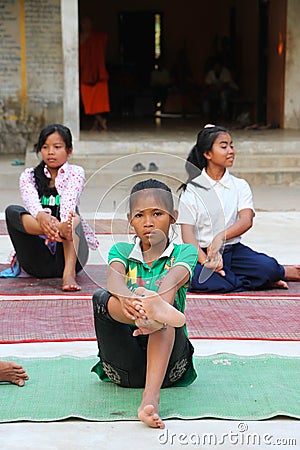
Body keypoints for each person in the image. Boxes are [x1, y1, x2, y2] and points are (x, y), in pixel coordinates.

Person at [92, 179, 198, 429]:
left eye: (157, 214)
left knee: (164, 310)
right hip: (124, 367)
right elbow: (113, 279)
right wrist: (129, 301)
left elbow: (173, 281)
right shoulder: (121, 250)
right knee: (101, 298)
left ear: (173, 217)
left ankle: (150, 398)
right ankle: (148, 312)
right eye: (140, 215)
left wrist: (155, 305)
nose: (148, 222)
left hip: (169, 369)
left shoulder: (184, 253)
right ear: (130, 219)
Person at [177, 124, 300, 293]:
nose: (231, 151)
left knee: (268, 267)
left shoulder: (239, 185)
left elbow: (246, 220)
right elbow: (188, 235)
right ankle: (262, 282)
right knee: (200, 280)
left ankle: (260, 276)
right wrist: (207, 262)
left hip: (233, 251)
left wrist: (220, 237)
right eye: (224, 146)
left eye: (231, 145)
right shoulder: (192, 190)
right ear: (207, 154)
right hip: (201, 254)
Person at [4, 124, 99, 291]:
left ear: (69, 151)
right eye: (45, 147)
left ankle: (68, 274)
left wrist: (64, 226)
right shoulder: (29, 176)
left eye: (57, 147)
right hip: (38, 262)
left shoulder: (75, 173)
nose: (50, 152)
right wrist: (44, 220)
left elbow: (69, 204)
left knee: (72, 217)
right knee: (12, 211)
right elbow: (32, 203)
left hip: (71, 256)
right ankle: (59, 229)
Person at [79, 17, 110, 131]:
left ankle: (97, 123)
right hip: (85, 74)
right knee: (87, 101)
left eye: (88, 23)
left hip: (98, 73)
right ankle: (100, 120)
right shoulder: (79, 38)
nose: (86, 25)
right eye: (84, 23)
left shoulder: (98, 38)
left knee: (99, 102)